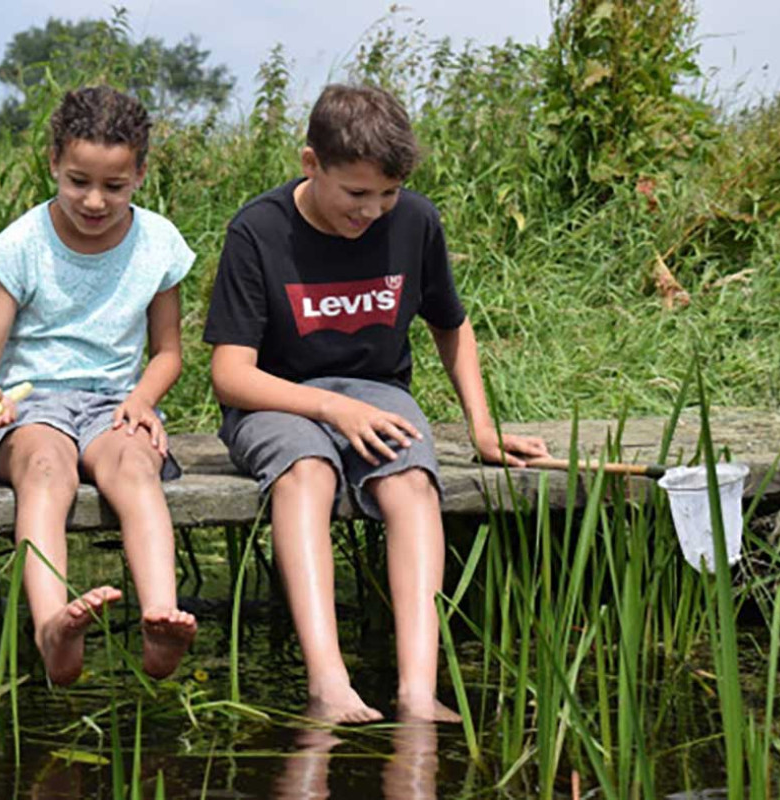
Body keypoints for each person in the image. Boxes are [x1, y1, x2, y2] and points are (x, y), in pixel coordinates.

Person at [204, 83, 550, 723]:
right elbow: (230, 375)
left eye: (387, 194)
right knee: (307, 474)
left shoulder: (414, 221)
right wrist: (332, 411)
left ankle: (418, 688)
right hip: (275, 400)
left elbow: (452, 323)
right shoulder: (259, 230)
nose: (373, 210)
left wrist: (482, 427)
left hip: (379, 393)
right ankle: (328, 682)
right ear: (311, 164)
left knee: (414, 482)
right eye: (357, 194)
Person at [0, 86, 196, 687]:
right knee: (45, 467)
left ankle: (158, 616)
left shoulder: (158, 244)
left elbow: (169, 352)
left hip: (113, 405)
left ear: (140, 174)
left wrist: (142, 401)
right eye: (77, 181)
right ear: (52, 165)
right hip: (31, 406)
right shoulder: (20, 247)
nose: (94, 200)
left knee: (136, 468)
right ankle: (51, 629)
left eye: (114, 187)